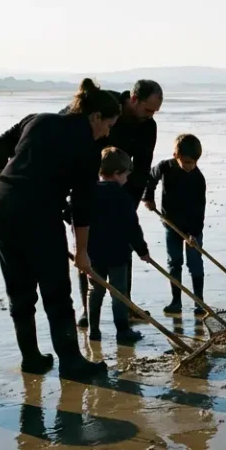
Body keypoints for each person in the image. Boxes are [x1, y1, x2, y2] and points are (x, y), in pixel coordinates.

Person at [0, 78, 118, 378]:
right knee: (56, 291)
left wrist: (5, 186)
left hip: (2, 206)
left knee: (19, 290)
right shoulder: (86, 146)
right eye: (107, 125)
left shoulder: (37, 120)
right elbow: (82, 206)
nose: (107, 133)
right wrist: (82, 252)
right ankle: (71, 362)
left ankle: (31, 359)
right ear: (95, 117)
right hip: (38, 213)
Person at [72, 79, 162, 328]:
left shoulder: (148, 127)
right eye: (147, 109)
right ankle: (87, 310)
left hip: (122, 191)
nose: (150, 116)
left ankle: (125, 304)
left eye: (155, 112)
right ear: (133, 100)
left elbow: (143, 168)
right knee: (88, 248)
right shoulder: (105, 104)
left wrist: (128, 205)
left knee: (122, 247)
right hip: (88, 186)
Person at [86, 147, 152, 344]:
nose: (127, 179)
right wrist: (142, 251)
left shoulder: (88, 192)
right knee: (119, 293)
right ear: (116, 174)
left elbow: (70, 214)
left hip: (93, 254)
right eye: (125, 174)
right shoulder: (123, 198)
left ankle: (94, 331)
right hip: (118, 255)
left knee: (94, 291)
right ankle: (122, 332)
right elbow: (133, 228)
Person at [143, 134, 207, 317]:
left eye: (192, 163)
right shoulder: (165, 167)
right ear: (176, 156)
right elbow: (150, 178)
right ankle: (176, 301)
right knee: (174, 262)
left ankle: (199, 302)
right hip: (171, 224)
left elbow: (199, 209)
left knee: (195, 263)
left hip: (192, 227)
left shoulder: (198, 179)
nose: (189, 166)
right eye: (186, 162)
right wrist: (148, 197)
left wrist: (194, 233)